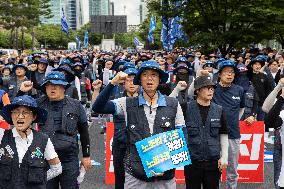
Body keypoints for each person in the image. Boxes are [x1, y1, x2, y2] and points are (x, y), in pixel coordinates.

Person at [93, 60, 185, 189]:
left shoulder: (173, 104)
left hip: (166, 175)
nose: (149, 78)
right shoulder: (126, 103)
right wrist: (112, 82)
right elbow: (98, 107)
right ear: (139, 80)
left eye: (154, 75)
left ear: (159, 79)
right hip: (135, 174)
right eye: (145, 74)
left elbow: (181, 136)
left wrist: (166, 165)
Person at [19, 71, 92, 189]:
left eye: (57, 85)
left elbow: (84, 132)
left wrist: (86, 156)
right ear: (45, 87)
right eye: (49, 85)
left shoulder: (76, 105)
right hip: (45, 159)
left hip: (69, 159)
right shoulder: (37, 104)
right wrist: (22, 91)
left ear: (64, 87)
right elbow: (17, 113)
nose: (53, 88)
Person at [0, 95, 62, 188]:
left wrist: (40, 179)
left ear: (34, 117)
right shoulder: (1, 135)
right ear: (11, 115)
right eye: (16, 112)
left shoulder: (43, 140)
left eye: (25, 112)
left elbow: (57, 169)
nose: (20, 116)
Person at [92, 67, 139, 189]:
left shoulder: (148, 100)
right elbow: (97, 108)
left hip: (141, 147)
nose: (132, 83)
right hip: (121, 147)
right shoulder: (119, 101)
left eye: (135, 80)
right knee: (120, 182)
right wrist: (109, 84)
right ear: (123, 83)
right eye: (129, 80)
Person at [184, 76, 229, 189]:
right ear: (197, 90)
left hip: (213, 162)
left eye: (212, 88)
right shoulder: (186, 108)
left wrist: (224, 156)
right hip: (192, 162)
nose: (210, 90)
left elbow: (223, 134)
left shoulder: (219, 110)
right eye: (207, 88)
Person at [262, 78, 284, 189]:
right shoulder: (279, 99)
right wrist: (279, 86)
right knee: (278, 168)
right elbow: (265, 108)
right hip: (277, 137)